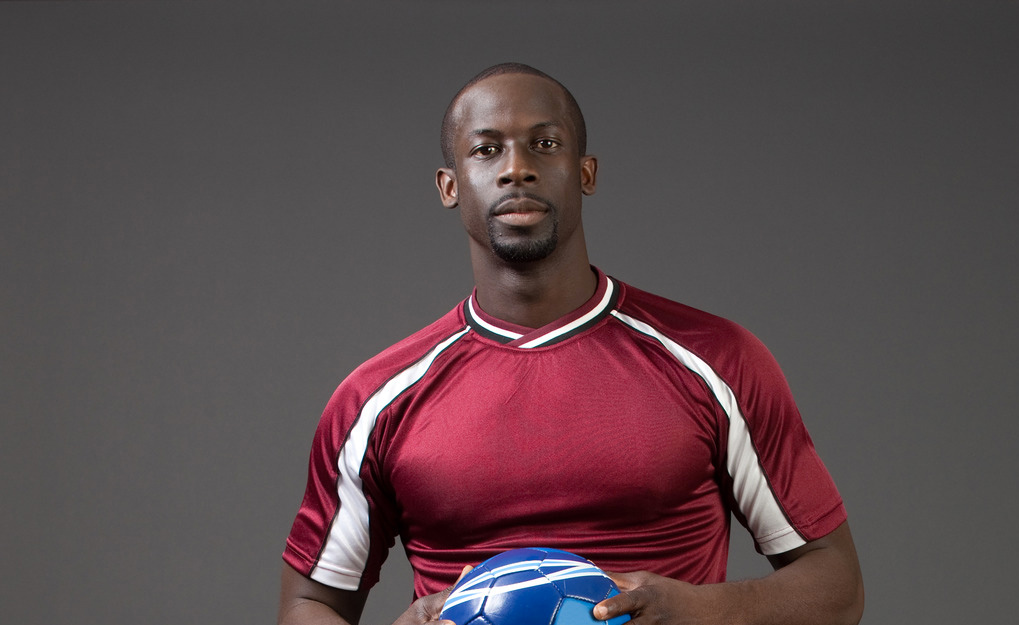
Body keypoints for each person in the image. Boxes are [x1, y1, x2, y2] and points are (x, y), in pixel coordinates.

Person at [278, 63, 864, 625]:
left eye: (544, 144)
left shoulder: (717, 359)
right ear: (449, 186)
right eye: (487, 150)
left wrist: (700, 612)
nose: (517, 169)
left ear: (585, 173)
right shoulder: (374, 400)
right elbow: (305, 604)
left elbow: (837, 587)